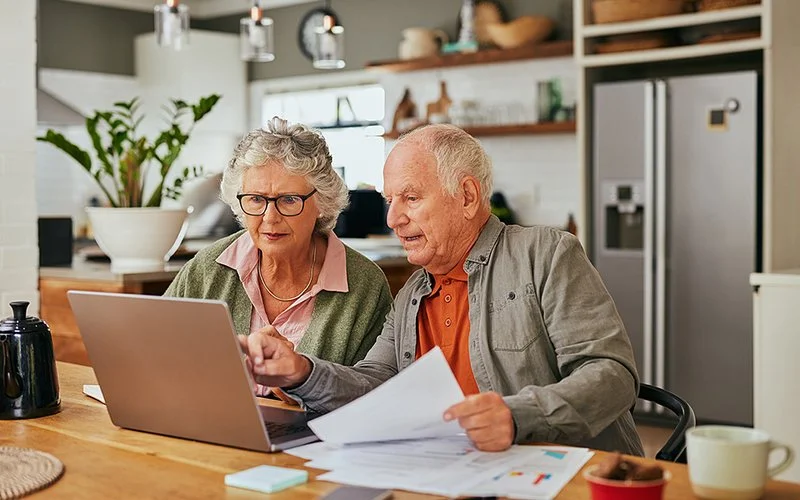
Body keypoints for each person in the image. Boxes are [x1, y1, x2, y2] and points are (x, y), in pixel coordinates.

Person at [241, 124, 645, 455]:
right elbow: (374, 388)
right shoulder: (412, 293)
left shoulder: (545, 254)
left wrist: (518, 415)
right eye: (390, 200)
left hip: (569, 475)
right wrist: (301, 372)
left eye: (411, 198)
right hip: (456, 474)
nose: (394, 218)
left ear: (466, 197)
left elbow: (611, 376)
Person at [165, 117, 393, 396]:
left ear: (321, 202)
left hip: (315, 436)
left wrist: (301, 379)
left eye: (288, 200)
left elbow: (371, 391)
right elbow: (156, 348)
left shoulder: (364, 285)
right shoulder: (207, 267)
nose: (269, 218)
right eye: (256, 200)